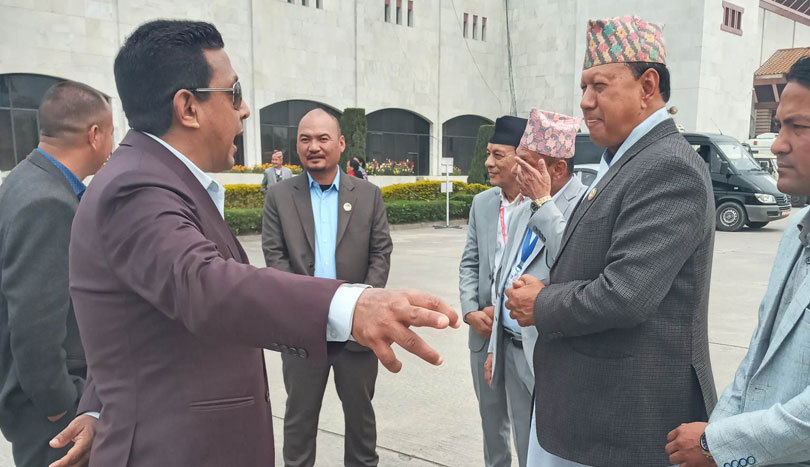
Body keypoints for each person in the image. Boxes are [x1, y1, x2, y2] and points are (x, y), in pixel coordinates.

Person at [58, 19, 457, 467]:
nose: (245, 110)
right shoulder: (137, 187)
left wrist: (103, 404)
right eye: (234, 94)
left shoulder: (157, 179)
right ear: (187, 107)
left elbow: (132, 320)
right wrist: (351, 305)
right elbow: (204, 284)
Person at [504, 16, 716, 466]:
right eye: (584, 87)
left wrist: (541, 303)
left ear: (647, 86)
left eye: (599, 85)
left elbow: (625, 295)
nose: (585, 101)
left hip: (623, 419)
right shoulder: (625, 161)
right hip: (590, 410)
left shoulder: (667, 166)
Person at [666, 56, 810, 467]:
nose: (777, 144)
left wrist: (718, 444)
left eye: (798, 127)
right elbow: (755, 360)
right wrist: (716, 438)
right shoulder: (795, 233)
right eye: (779, 126)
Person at [262, 108, 393, 467]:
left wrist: (361, 306)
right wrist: (305, 308)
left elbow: (380, 253)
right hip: (302, 331)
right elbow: (275, 257)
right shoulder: (279, 196)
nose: (314, 146)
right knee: (299, 423)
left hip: (356, 330)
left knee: (361, 423)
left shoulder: (367, 195)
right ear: (297, 146)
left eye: (323, 138)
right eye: (305, 139)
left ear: (341, 143)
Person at [0, 81, 112, 467]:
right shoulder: (49, 202)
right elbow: (34, 326)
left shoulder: (25, 178)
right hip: (49, 415)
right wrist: (61, 406)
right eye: (111, 132)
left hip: (32, 402)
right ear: (94, 135)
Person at [484, 109, 586, 467]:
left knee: (550, 450)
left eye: (526, 163)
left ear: (557, 169)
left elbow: (575, 263)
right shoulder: (524, 207)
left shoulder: (584, 206)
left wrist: (544, 203)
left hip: (550, 354)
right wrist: (495, 345)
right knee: (524, 445)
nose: (517, 171)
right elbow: (504, 275)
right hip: (512, 348)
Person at [459, 115, 526, 467]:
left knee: (527, 428)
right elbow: (469, 263)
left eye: (498, 155)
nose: (488, 162)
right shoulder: (483, 204)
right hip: (483, 330)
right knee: (491, 425)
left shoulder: (540, 206)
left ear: (522, 157)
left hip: (521, 335)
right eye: (488, 153)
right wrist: (470, 309)